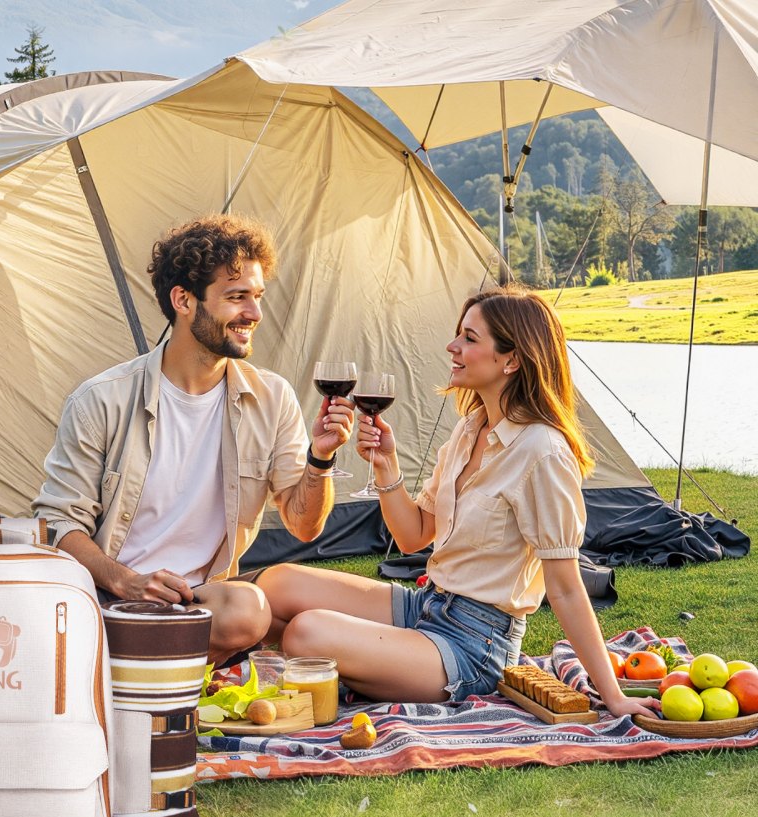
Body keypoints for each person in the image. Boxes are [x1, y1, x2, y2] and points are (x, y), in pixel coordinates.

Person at [257, 285, 661, 719]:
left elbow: (564, 587)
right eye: (459, 334)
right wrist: (386, 465)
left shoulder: (542, 451)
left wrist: (613, 696)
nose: (452, 346)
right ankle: (359, 667)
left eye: (470, 338)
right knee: (277, 585)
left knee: (306, 634)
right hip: (427, 603)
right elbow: (414, 536)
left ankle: (355, 669)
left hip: (475, 645)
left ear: (512, 359)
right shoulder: (470, 428)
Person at [33, 214, 354, 665]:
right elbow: (57, 526)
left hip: (202, 599)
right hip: (113, 602)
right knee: (249, 611)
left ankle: (141, 666)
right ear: (183, 300)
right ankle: (147, 669)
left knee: (313, 602)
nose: (255, 314)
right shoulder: (101, 400)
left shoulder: (272, 397)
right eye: (236, 297)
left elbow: (305, 526)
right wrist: (125, 581)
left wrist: (321, 458)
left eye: (257, 297)